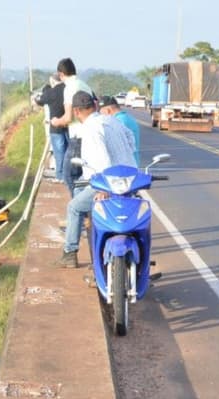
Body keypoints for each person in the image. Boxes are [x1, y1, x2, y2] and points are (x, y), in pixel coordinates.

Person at [56, 91, 136, 269]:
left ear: (76, 112)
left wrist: (103, 189)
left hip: (109, 182)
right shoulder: (111, 120)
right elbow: (131, 139)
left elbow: (102, 161)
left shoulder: (90, 128)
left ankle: (70, 253)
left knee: (75, 207)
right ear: (95, 105)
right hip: (129, 179)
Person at [49, 58, 94, 197]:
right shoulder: (84, 85)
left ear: (61, 74)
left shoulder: (69, 88)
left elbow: (68, 118)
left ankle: (79, 207)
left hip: (78, 136)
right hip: (90, 133)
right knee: (83, 174)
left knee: (68, 174)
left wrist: (56, 121)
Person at [34, 73, 68, 183]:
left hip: (55, 127)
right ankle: (67, 175)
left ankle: (60, 176)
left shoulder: (51, 93)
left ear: (53, 81)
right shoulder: (68, 89)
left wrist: (35, 98)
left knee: (59, 152)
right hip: (67, 125)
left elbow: (39, 101)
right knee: (67, 151)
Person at [99, 95, 141, 166]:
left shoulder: (117, 122)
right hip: (133, 162)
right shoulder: (128, 118)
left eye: (102, 113)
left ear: (108, 111)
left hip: (124, 166)